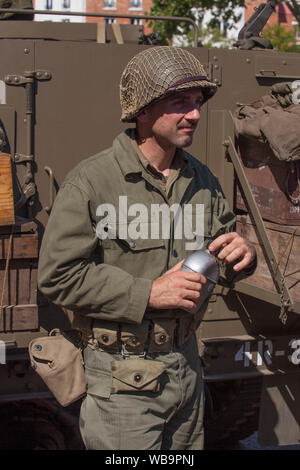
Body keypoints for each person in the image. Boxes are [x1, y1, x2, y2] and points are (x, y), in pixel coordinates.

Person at [37, 46, 257, 451]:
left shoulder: (202, 179)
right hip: (122, 381)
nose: (193, 114)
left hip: (187, 371)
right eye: (179, 103)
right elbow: (58, 276)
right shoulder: (93, 181)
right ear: (142, 110)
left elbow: (223, 249)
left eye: (196, 103)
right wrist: (148, 293)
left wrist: (241, 255)